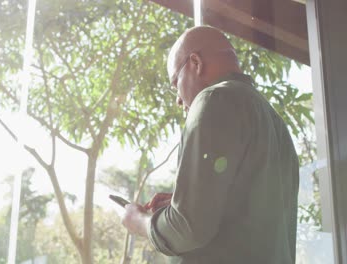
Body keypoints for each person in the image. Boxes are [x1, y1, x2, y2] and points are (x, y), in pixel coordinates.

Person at [121, 26, 299, 264]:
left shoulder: (214, 99)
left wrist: (140, 221)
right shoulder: (275, 123)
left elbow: (187, 228)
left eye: (175, 82)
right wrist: (186, 199)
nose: (177, 99)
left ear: (195, 62)